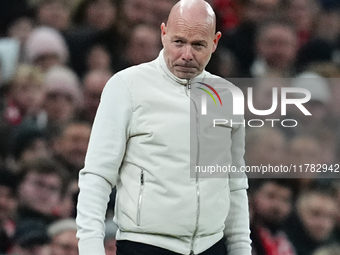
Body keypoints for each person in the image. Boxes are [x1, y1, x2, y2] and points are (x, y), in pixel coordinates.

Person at [76, 1, 251, 255]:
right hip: (145, 246)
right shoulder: (126, 86)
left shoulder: (227, 96)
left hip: (212, 246)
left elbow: (234, 184)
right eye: (179, 42)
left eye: (198, 44)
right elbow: (97, 176)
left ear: (215, 42)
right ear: (163, 34)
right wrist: (90, 249)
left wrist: (241, 250)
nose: (187, 54)